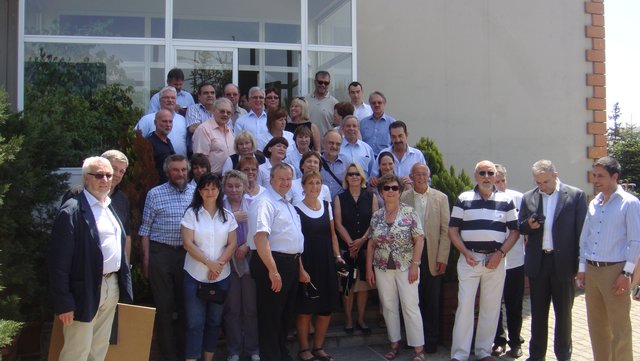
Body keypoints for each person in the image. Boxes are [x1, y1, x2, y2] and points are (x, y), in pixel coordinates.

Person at [49, 156, 133, 361]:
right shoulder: (71, 210)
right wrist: (64, 302)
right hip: (83, 290)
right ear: (86, 178)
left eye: (109, 175)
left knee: (99, 350)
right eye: (99, 175)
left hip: (110, 286)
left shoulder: (110, 205)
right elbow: (58, 262)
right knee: (77, 352)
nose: (105, 179)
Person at [448, 160, 519, 361]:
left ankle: (483, 352)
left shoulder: (506, 200)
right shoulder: (464, 198)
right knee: (465, 306)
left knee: (491, 307)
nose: (486, 177)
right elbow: (452, 230)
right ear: (475, 175)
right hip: (469, 259)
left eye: (490, 173)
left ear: (496, 175)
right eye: (482, 173)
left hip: (496, 261)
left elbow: (514, 231)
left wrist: (501, 254)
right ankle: (460, 354)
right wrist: (464, 251)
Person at [518, 160, 586, 361]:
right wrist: (529, 225)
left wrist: (580, 265)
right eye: (538, 182)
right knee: (538, 314)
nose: (542, 186)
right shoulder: (529, 197)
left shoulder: (575, 195)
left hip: (563, 264)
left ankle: (563, 355)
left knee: (563, 314)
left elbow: (582, 232)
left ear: (555, 175)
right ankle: (536, 355)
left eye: (545, 182)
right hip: (539, 264)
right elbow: (520, 227)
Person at [576, 156, 640, 361]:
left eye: (600, 176)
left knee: (619, 329)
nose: (596, 180)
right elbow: (585, 238)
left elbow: (635, 241)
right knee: (597, 327)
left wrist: (626, 274)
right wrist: (582, 268)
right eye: (594, 176)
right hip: (593, 272)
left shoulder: (629, 203)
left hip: (616, 271)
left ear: (615, 176)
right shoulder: (595, 202)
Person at [139, 154, 195, 361]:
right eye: (175, 170)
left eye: (183, 170)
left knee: (185, 306)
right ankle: (169, 356)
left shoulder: (196, 192)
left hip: (187, 255)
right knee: (164, 307)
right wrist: (146, 260)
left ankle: (184, 353)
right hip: (161, 253)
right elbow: (144, 229)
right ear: (167, 172)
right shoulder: (155, 194)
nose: (180, 174)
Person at [365, 174, 426, 361]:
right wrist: (368, 269)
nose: (390, 191)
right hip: (382, 268)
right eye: (386, 188)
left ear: (400, 191)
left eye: (394, 188)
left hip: (406, 266)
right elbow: (371, 244)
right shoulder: (376, 216)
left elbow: (419, 239)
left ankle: (418, 349)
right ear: (381, 192)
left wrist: (415, 265)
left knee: (410, 306)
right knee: (389, 306)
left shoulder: (410, 212)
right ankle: (394, 343)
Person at [248, 164, 305, 361]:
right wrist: (273, 270)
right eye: (281, 179)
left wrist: (300, 268)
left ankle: (280, 354)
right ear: (271, 179)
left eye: (289, 179)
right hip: (272, 263)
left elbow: (293, 241)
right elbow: (260, 238)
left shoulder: (287, 203)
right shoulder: (264, 202)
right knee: (271, 317)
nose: (285, 183)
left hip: (289, 264)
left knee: (284, 316)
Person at [181, 173, 237, 361]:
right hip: (195, 276)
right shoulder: (191, 214)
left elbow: (232, 244)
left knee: (214, 322)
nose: (210, 192)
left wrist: (218, 266)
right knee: (194, 323)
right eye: (206, 188)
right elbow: (188, 243)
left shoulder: (227, 216)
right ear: (199, 191)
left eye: (213, 188)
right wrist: (209, 263)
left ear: (219, 190)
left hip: (220, 277)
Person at [400, 163, 450, 354]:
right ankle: (413, 339)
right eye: (417, 174)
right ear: (411, 177)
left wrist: (442, 257)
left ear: (429, 176)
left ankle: (431, 339)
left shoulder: (441, 198)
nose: (420, 177)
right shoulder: (404, 197)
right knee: (412, 299)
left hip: (432, 252)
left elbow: (446, 230)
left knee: (431, 298)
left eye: (424, 174)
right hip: (410, 253)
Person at [294, 171, 343, 361]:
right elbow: (295, 242)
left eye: (318, 183)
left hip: (326, 262)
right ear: (303, 186)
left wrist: (337, 256)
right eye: (310, 183)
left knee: (325, 308)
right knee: (305, 309)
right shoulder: (296, 209)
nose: (314, 187)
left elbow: (332, 235)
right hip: (306, 263)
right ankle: (304, 349)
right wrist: (300, 269)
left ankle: (318, 347)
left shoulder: (327, 206)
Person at [334, 163, 378, 335]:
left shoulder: (371, 197)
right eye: (350, 174)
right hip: (347, 250)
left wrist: (362, 241)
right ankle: (349, 320)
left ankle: (360, 318)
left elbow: (375, 221)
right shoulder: (339, 198)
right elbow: (337, 223)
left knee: (362, 287)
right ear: (346, 177)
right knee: (347, 286)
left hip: (365, 250)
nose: (354, 177)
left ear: (362, 177)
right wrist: (352, 243)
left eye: (357, 174)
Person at [222, 170, 260, 361]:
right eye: (230, 186)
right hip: (228, 263)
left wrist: (246, 245)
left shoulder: (253, 204)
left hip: (249, 260)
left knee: (251, 308)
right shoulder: (219, 206)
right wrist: (232, 218)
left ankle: (253, 349)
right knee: (233, 309)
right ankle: (234, 351)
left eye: (238, 186)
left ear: (245, 186)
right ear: (224, 187)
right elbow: (212, 233)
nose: (234, 189)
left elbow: (261, 230)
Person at [490, 164, 526, 359]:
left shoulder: (519, 198)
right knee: (494, 304)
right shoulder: (485, 201)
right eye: (496, 182)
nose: (500, 185)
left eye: (502, 181)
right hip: (493, 263)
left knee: (514, 305)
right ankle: (498, 340)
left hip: (515, 262)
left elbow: (525, 228)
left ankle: (515, 341)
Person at [136, 86, 188, 156]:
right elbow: (135, 140)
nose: (170, 100)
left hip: (180, 164)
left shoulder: (182, 119)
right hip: (157, 164)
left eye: (173, 98)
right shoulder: (147, 119)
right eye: (166, 97)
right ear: (160, 101)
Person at [101, 150, 132, 261]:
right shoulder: (79, 195)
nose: (117, 174)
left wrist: (126, 267)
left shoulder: (122, 200)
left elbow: (126, 236)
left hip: (113, 273)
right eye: (114, 169)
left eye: (122, 171)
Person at [192, 98, 236, 176]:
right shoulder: (204, 129)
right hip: (212, 178)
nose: (225, 114)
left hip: (228, 179)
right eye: (222, 111)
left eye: (228, 113)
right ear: (214, 111)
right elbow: (201, 161)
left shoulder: (230, 131)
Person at [360, 91, 396, 155]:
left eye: (379, 102)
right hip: (367, 158)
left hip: (385, 159)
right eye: (373, 103)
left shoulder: (392, 123)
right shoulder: (363, 123)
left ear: (384, 104)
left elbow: (395, 143)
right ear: (370, 105)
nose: (376, 105)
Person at [340, 115, 375, 179]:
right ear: (343, 128)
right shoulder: (338, 148)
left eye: (354, 126)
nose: (351, 128)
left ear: (358, 128)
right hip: (342, 187)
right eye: (348, 126)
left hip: (363, 187)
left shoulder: (367, 149)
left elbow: (372, 172)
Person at [305, 70, 338, 137]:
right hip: (307, 144)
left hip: (326, 145)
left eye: (326, 83)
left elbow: (338, 126)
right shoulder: (304, 100)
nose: (323, 85)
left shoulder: (334, 103)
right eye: (320, 82)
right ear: (315, 82)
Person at [146, 109, 176, 184]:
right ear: (155, 123)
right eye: (164, 121)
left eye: (170, 121)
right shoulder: (149, 143)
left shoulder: (168, 141)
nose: (168, 125)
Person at [320, 130, 346, 199]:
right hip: (322, 206)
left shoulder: (347, 163)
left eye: (338, 144)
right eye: (331, 143)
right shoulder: (316, 163)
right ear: (323, 143)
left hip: (341, 206)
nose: (334, 146)